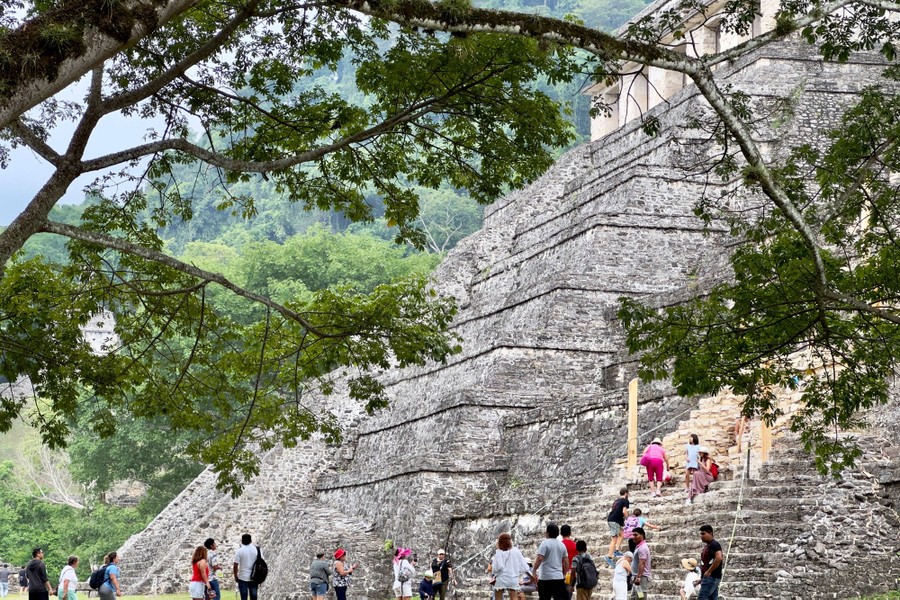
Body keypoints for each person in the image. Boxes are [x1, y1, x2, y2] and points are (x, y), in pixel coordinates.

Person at [531, 522, 569, 600]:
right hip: (558, 577)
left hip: (545, 577)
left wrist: (534, 571)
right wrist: (564, 574)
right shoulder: (562, 545)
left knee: (544, 598)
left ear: (547, 533)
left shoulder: (544, 544)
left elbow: (539, 558)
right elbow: (566, 561)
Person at [491, 533, 529, 600]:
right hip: (512, 578)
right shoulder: (515, 551)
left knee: (498, 598)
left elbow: (497, 568)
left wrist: (498, 550)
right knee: (514, 598)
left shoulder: (499, 552)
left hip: (501, 578)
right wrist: (530, 576)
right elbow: (524, 566)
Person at [697, 525, 723, 600]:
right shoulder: (709, 546)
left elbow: (719, 557)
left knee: (702, 598)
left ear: (710, 534)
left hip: (711, 578)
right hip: (709, 578)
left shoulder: (714, 544)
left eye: (703, 534)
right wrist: (702, 578)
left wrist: (709, 571)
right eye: (701, 534)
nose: (701, 536)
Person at [605, 488, 629, 568]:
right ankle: (609, 557)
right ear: (626, 493)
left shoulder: (617, 501)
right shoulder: (625, 500)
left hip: (611, 519)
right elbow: (624, 511)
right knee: (614, 539)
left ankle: (617, 550)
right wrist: (627, 519)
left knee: (622, 534)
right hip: (615, 521)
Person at [233, 534, 260, 600]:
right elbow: (261, 563)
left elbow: (235, 565)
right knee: (254, 597)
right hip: (254, 577)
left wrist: (235, 576)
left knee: (244, 597)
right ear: (251, 540)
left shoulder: (239, 551)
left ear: (242, 541)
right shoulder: (257, 549)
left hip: (243, 577)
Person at [630, 528, 652, 599]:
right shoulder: (639, 546)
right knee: (634, 597)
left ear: (642, 535)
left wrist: (639, 577)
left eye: (635, 535)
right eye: (632, 535)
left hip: (640, 578)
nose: (633, 537)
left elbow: (642, 563)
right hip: (637, 577)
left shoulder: (642, 548)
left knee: (640, 597)